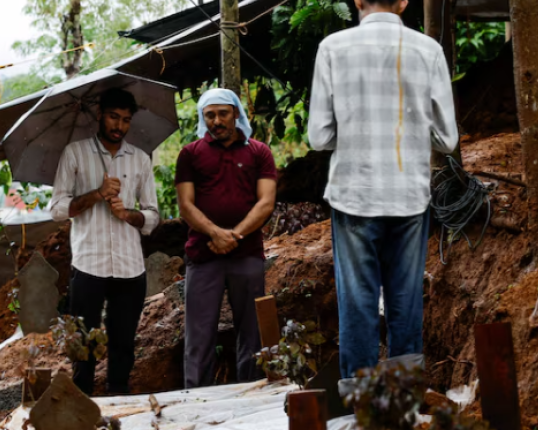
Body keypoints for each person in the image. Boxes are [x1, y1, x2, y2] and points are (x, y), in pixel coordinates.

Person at [308, 0, 459, 380]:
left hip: (354, 195)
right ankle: (401, 408)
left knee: (358, 305)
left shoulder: (333, 48)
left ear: (358, 0)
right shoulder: (429, 50)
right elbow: (447, 139)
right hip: (408, 196)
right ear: (405, 2)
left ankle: (363, 418)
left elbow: (319, 136)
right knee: (405, 305)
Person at [49, 88, 160, 395]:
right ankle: (82, 400)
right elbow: (58, 209)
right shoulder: (75, 153)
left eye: (125, 120)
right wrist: (97, 194)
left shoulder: (139, 159)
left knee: (123, 341)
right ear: (99, 115)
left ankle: (120, 400)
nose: (119, 126)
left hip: (129, 267)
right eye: (113, 117)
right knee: (83, 341)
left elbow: (152, 216)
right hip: (88, 265)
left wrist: (128, 215)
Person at [175, 88, 277, 389]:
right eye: (210, 115)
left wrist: (236, 235)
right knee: (199, 333)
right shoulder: (190, 154)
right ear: (202, 118)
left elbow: (266, 202)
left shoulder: (259, 152)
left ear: (236, 113)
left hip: (247, 255)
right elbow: (185, 205)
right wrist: (216, 234)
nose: (216, 120)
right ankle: (194, 400)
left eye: (222, 113)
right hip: (203, 255)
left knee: (252, 331)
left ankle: (253, 395)